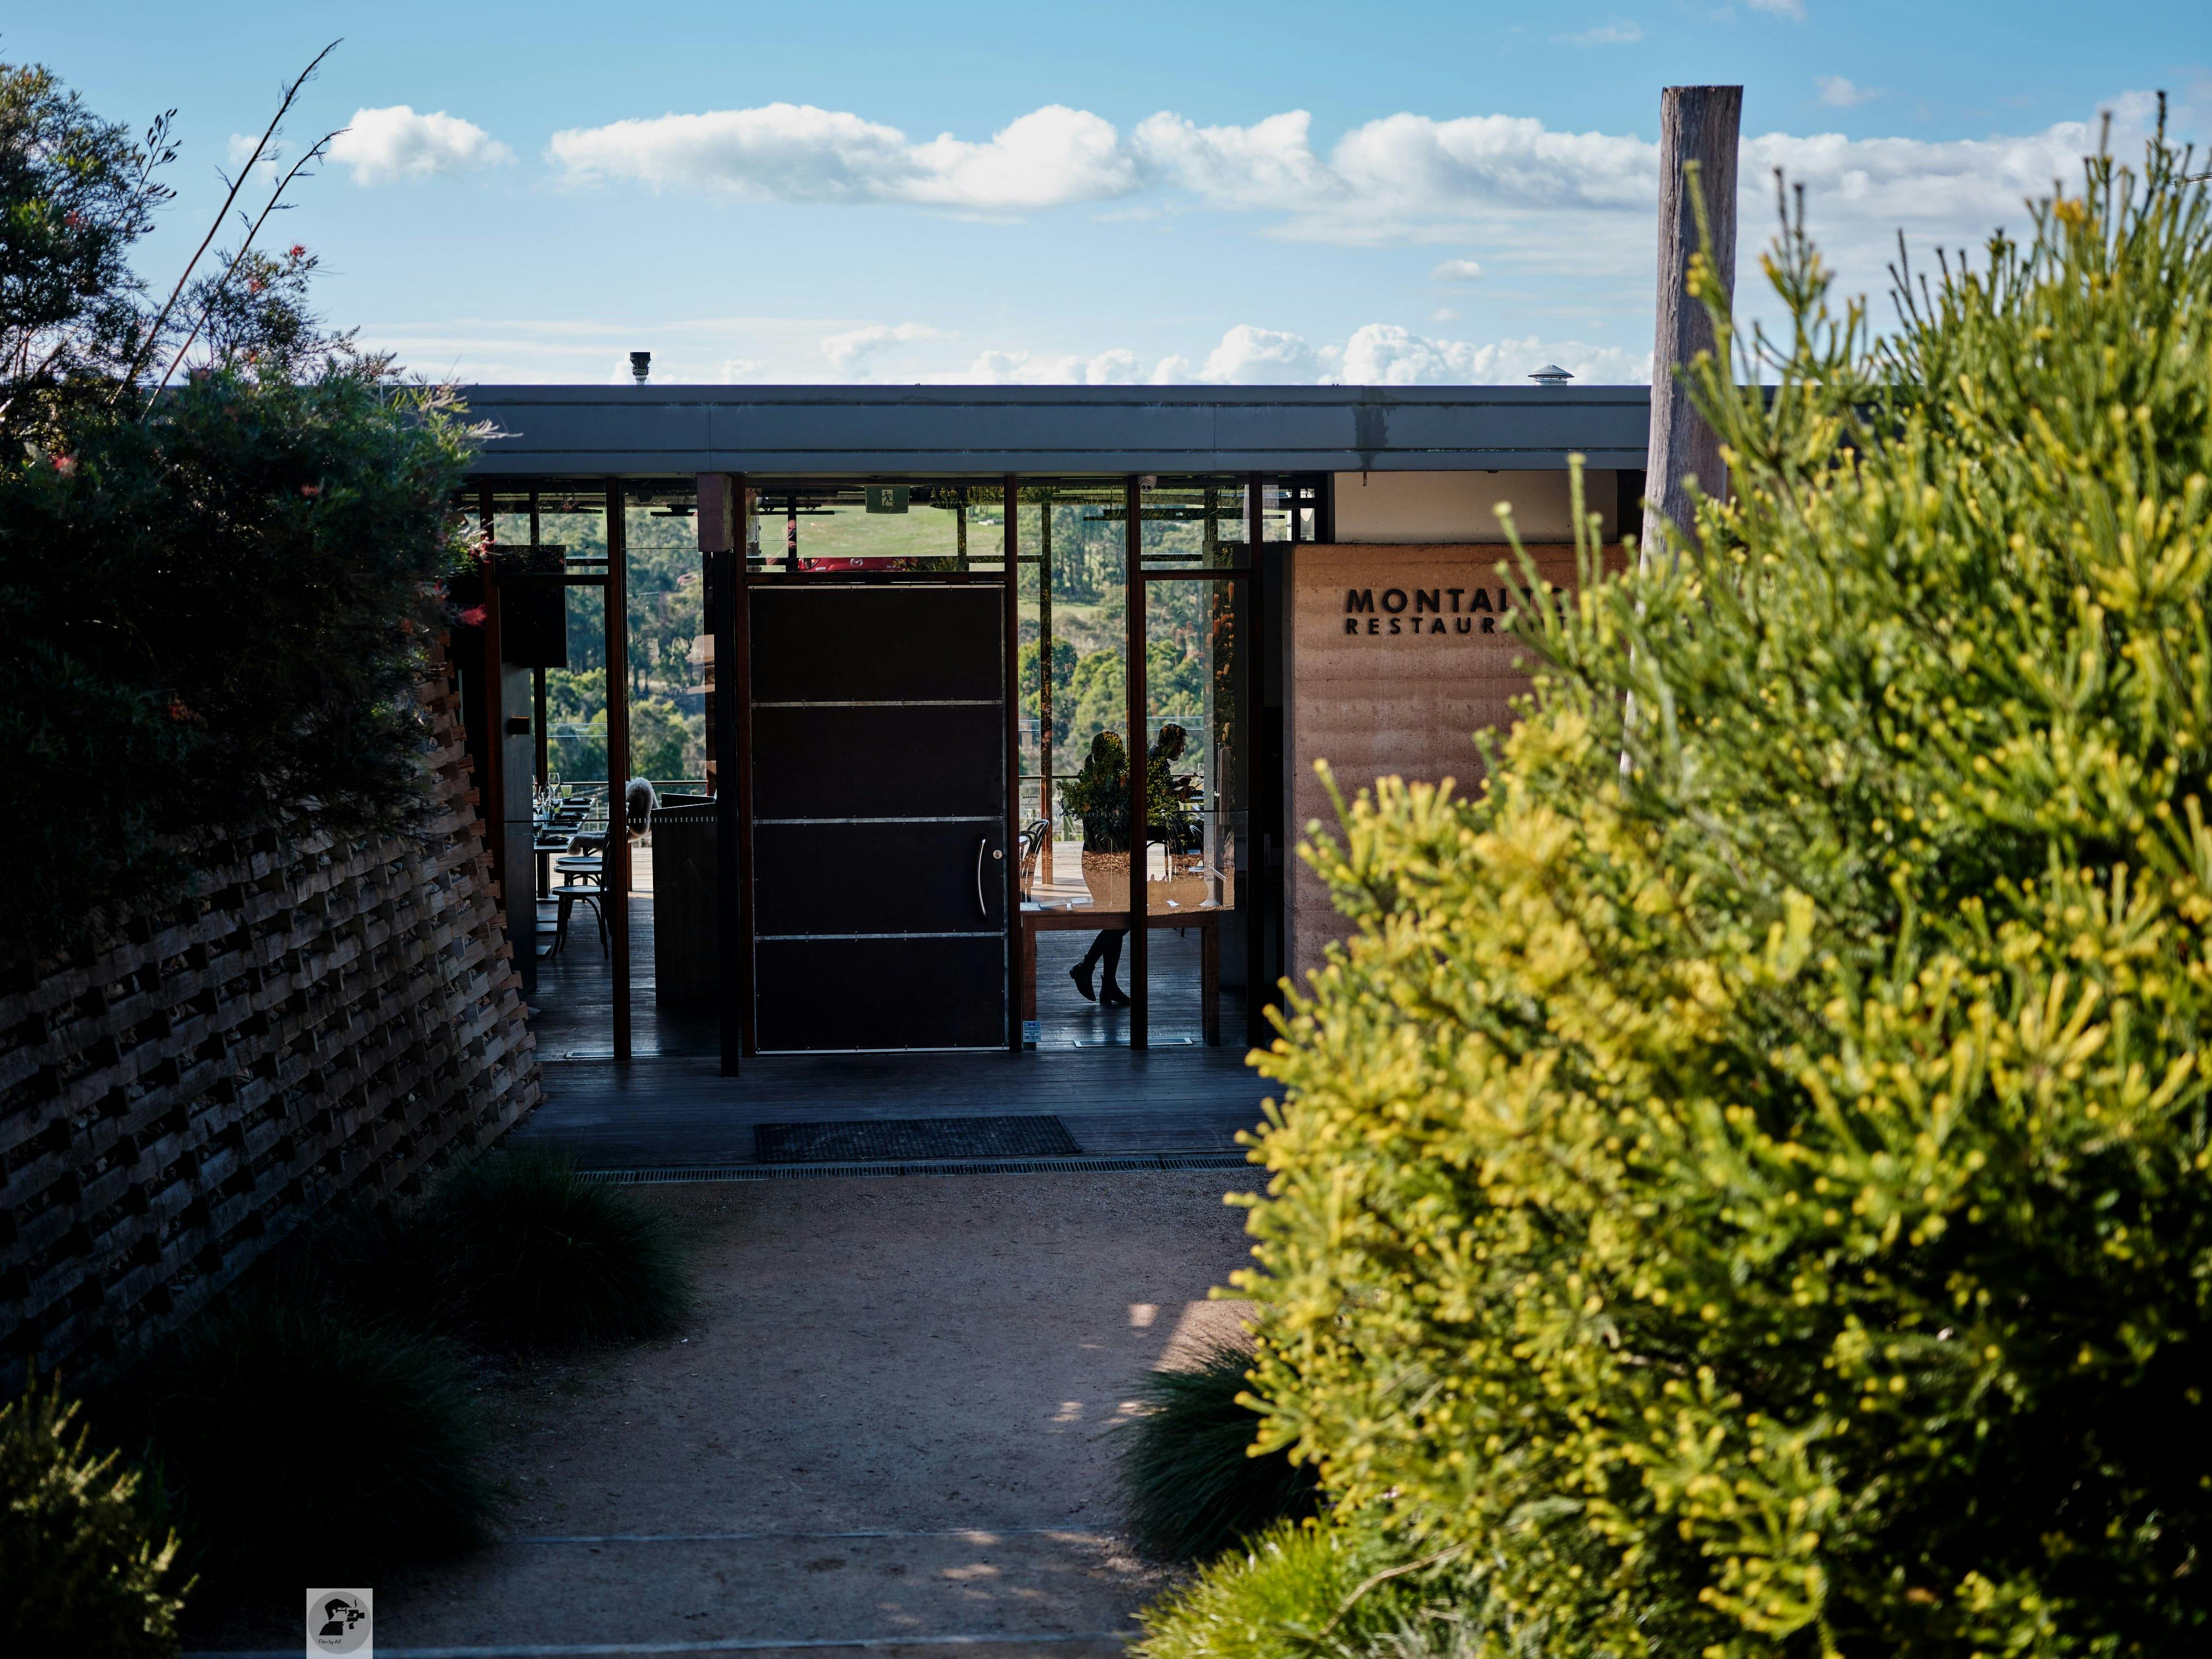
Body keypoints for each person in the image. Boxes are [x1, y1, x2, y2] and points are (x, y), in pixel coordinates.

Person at [1069, 725, 1195, 1008]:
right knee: (1121, 919)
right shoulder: (1111, 783)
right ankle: (1086, 969)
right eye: (1121, 753)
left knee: (1119, 919)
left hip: (1097, 860)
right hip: (1108, 862)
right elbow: (1118, 821)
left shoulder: (1093, 776)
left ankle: (1106, 983)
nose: (1125, 757)